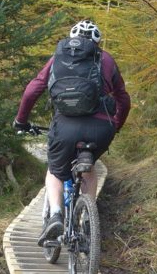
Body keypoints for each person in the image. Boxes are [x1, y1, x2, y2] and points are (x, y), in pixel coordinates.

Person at [13, 19, 131, 245]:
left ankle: (56, 215)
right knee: (89, 169)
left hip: (65, 127)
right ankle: (88, 219)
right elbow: (123, 100)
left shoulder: (58, 57)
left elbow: (33, 90)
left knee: (56, 171)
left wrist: (21, 120)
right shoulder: (105, 59)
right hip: (100, 128)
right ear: (98, 42)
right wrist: (116, 124)